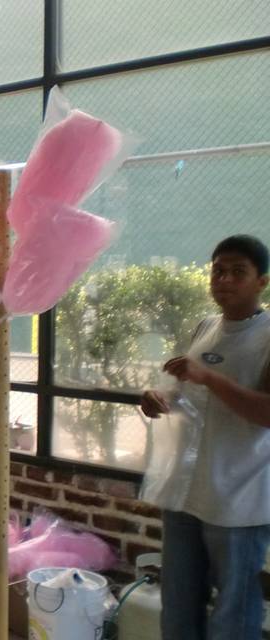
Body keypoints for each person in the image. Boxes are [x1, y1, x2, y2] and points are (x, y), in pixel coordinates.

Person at [141, 235, 270, 640]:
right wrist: (159, 398)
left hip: (239, 500)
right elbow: (187, 393)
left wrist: (209, 378)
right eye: (218, 270)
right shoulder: (206, 326)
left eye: (238, 272)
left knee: (233, 613)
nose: (224, 279)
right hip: (185, 493)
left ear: (262, 281)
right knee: (178, 603)